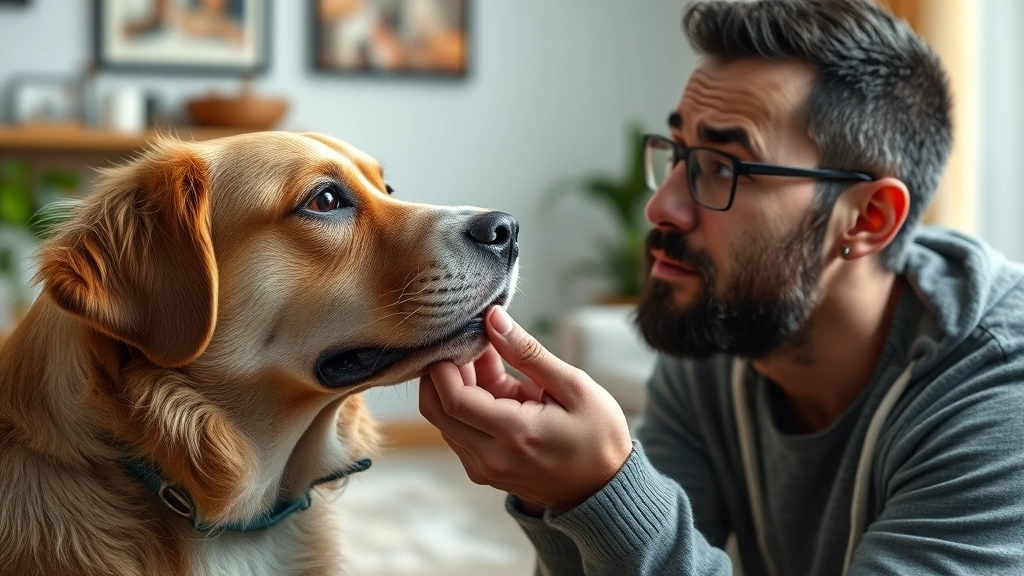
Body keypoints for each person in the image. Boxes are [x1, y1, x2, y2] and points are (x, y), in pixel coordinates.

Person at [418, 0, 1024, 574]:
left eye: (723, 168)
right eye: (679, 152)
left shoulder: (1001, 403)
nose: (661, 206)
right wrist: (559, 497)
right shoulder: (723, 333)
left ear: (867, 220)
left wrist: (605, 491)